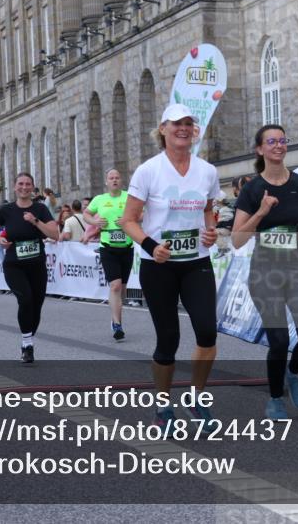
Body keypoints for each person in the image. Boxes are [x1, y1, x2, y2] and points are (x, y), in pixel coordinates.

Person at [122, 104, 221, 434]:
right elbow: (128, 221)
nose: (184, 129)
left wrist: (210, 229)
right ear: (163, 129)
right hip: (158, 266)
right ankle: (163, 406)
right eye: (177, 123)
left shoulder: (206, 171)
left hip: (197, 262)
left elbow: (209, 209)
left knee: (207, 331)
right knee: (168, 339)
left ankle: (197, 399)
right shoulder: (149, 171)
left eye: (189, 124)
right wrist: (152, 246)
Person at [232, 125, 298, 420]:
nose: (278, 146)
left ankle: (294, 373)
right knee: (280, 341)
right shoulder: (252, 189)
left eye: (282, 141)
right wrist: (260, 212)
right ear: (260, 149)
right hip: (265, 273)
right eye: (271, 141)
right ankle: (274, 399)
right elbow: (236, 240)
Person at [0, 173, 59, 363]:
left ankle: (28, 340)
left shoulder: (40, 209)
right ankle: (27, 343)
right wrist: (0, 240)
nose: (24, 187)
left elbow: (55, 234)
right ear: (14, 187)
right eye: (20, 184)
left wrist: (35, 221)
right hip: (14, 264)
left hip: (36, 264)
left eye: (28, 184)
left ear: (32, 188)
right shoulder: (6, 210)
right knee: (25, 299)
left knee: (36, 305)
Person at [85, 169, 136, 338]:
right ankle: (117, 324)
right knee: (114, 285)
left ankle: (116, 318)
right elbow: (86, 214)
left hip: (127, 246)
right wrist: (95, 221)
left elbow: (141, 213)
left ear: (121, 180)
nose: (114, 180)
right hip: (107, 247)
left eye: (117, 177)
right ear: (106, 182)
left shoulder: (129, 197)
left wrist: (128, 221)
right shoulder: (100, 199)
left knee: (122, 288)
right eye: (111, 178)